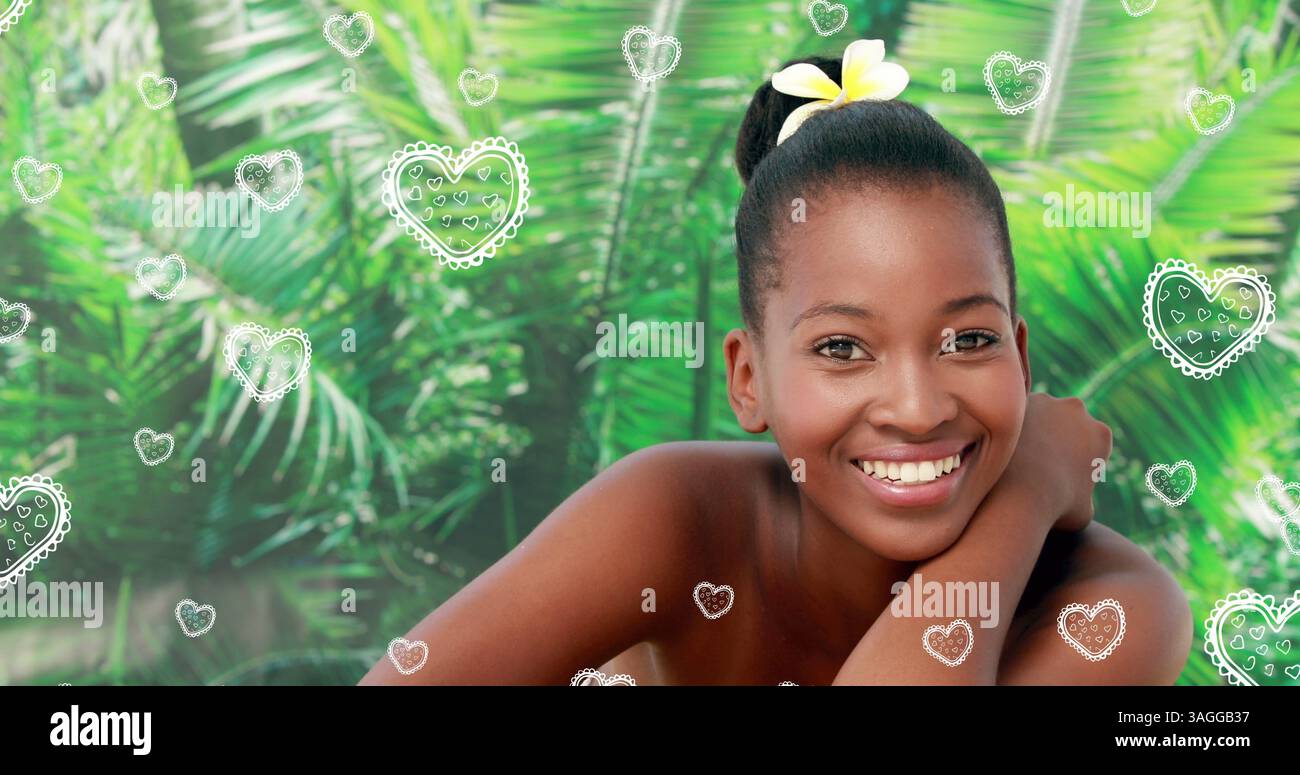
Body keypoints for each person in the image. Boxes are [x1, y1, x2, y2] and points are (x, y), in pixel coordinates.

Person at [360, 40, 1191, 685]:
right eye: (841, 348)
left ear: (1019, 355)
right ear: (748, 377)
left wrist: (1022, 498)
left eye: (967, 340)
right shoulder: (674, 516)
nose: (917, 405)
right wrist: (1031, 478)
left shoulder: (1114, 606)